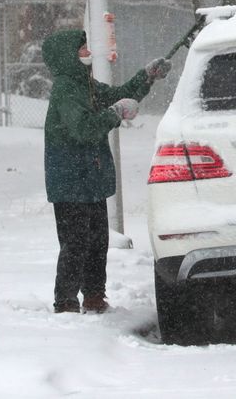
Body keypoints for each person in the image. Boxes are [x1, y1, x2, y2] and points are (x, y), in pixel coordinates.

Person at [41, 28, 171, 314]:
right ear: (68, 57)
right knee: (75, 244)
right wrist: (115, 113)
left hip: (90, 179)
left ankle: (94, 296)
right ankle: (65, 302)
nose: (88, 52)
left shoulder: (85, 84)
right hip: (70, 181)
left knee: (97, 241)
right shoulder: (66, 88)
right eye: (82, 49)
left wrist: (146, 76)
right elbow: (83, 129)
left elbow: (119, 95)